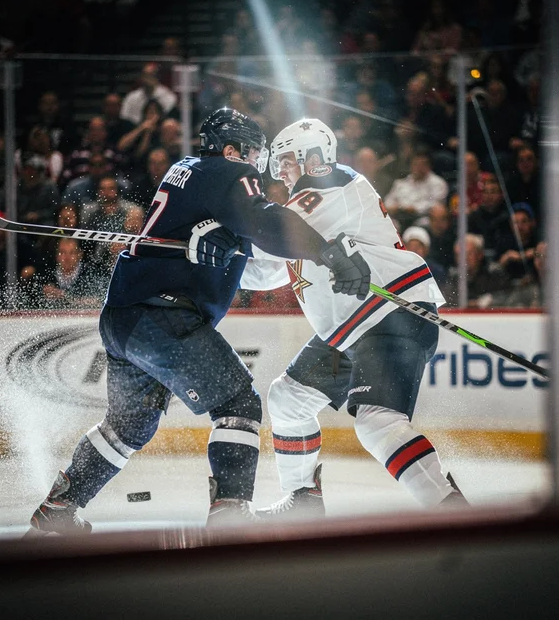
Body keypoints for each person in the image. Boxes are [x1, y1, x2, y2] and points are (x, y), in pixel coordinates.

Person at [24, 108, 372, 535]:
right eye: (253, 153)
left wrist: (249, 245)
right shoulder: (228, 172)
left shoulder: (186, 170)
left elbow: (256, 260)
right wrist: (327, 250)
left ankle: (58, 507)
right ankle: (229, 516)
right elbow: (264, 220)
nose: (257, 163)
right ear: (231, 150)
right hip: (163, 315)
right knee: (238, 404)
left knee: (129, 426)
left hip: (125, 317)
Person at [237, 118, 468, 522]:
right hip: (351, 331)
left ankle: (452, 513)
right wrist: (209, 260)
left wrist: (225, 238)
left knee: (377, 422)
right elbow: (266, 269)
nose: (284, 173)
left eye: (288, 161)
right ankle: (303, 502)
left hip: (388, 314)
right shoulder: (304, 217)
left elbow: (277, 239)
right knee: (288, 399)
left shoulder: (329, 182)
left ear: (313, 158)